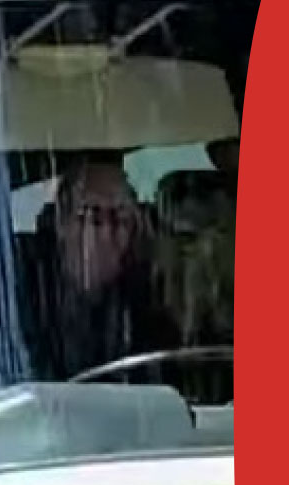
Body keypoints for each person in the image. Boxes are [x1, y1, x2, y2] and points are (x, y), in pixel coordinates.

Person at [34, 154, 184, 377]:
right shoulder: (22, 296)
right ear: (62, 223)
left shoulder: (148, 299)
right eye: (93, 216)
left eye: (121, 217)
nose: (108, 232)